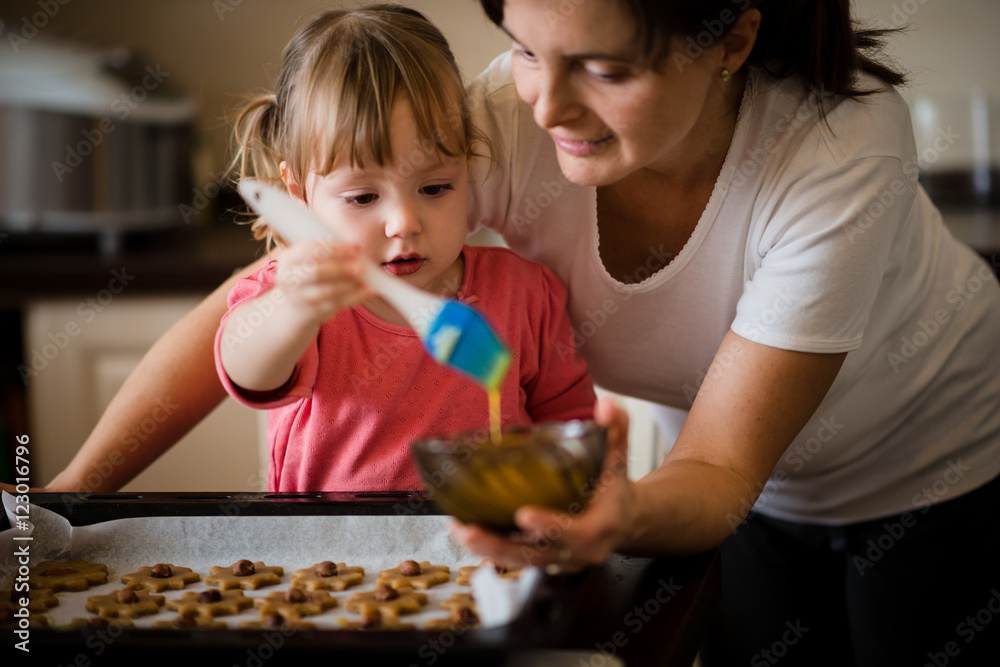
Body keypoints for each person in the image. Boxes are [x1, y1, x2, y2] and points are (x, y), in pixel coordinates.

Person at [11, 1, 999, 664]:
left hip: (930, 463)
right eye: (526, 48)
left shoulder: (835, 154)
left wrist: (613, 511)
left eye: (603, 67)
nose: (544, 102)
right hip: (726, 499)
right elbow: (258, 297)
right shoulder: (488, 127)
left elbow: (719, 461)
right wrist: (64, 505)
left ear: (731, 40)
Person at [215, 6, 596, 491]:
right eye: (363, 197)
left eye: (435, 187)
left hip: (485, 555)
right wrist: (292, 307)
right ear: (298, 194)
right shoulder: (294, 298)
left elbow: (568, 427)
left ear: (467, 164)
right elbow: (245, 371)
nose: (404, 223)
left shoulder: (526, 295)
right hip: (328, 559)